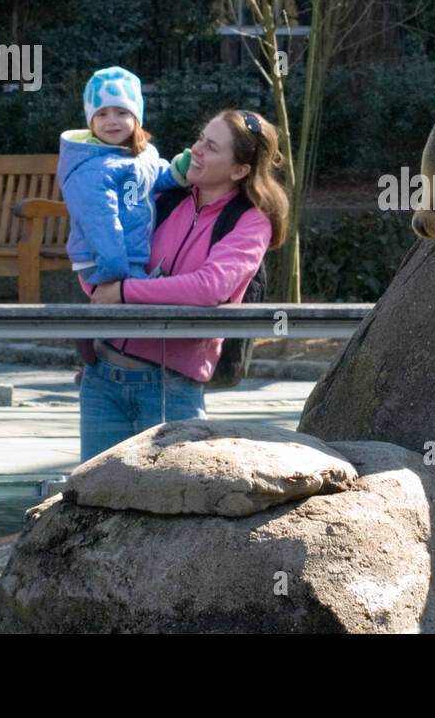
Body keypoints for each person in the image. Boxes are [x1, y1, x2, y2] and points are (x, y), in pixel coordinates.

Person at [77, 109, 287, 461]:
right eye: (201, 139)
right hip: (102, 379)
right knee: (92, 509)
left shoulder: (251, 222)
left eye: (212, 147)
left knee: (169, 512)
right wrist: (100, 288)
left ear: (240, 170)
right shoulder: (161, 196)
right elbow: (100, 252)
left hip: (171, 390)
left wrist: (125, 292)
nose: (197, 149)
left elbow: (209, 287)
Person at [57, 66, 188, 286]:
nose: (111, 121)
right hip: (103, 260)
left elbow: (154, 175)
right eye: (101, 114)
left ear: (137, 117)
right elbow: (99, 222)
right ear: (91, 121)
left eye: (122, 112)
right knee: (150, 303)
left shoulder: (141, 154)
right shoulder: (94, 167)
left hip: (131, 255)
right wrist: (115, 269)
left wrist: (180, 170)